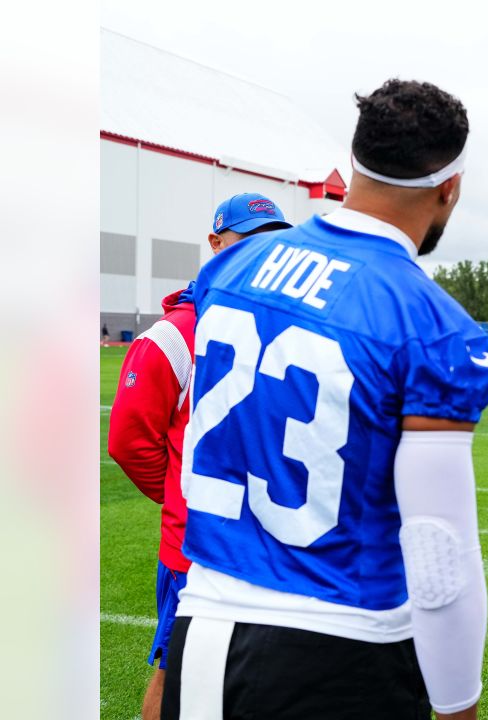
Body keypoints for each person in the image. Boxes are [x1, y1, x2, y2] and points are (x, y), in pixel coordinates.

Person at [162, 79, 488, 720]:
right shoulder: (430, 323)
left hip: (201, 629)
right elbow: (436, 546)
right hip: (343, 651)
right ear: (449, 186)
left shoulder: (230, 268)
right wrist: (458, 705)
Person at [108, 192, 291, 720]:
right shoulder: (174, 334)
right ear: (216, 243)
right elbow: (128, 441)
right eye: (250, 239)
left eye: (274, 241)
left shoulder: (281, 321)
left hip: (265, 545)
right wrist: (186, 495)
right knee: (178, 679)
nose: (262, 252)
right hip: (197, 548)